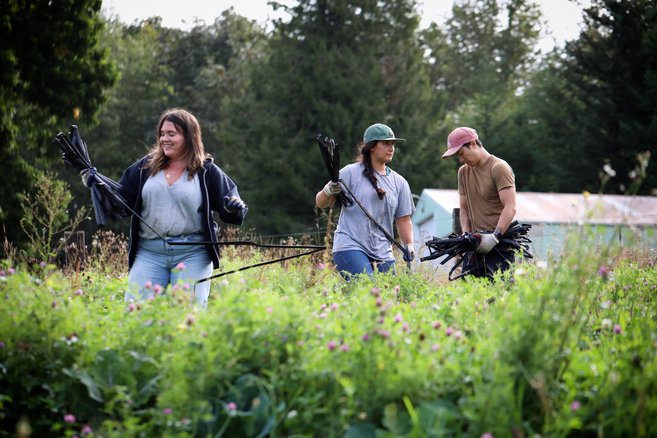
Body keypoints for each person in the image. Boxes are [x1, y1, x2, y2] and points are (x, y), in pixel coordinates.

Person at [109, 108, 247, 307]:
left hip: (193, 254)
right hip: (149, 254)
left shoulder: (206, 171)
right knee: (136, 315)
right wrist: (97, 185)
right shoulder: (144, 169)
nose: (165, 139)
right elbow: (119, 203)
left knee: (187, 317)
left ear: (188, 137)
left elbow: (233, 207)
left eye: (171, 134)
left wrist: (233, 208)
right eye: (162, 134)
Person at [315, 123, 415, 279]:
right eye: (385, 143)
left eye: (393, 144)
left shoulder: (399, 182)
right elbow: (321, 203)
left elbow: (403, 219)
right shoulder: (350, 173)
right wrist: (328, 191)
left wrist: (409, 244)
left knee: (388, 297)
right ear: (372, 147)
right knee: (368, 289)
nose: (391, 148)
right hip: (350, 245)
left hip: (383, 250)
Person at [441, 126, 518, 278]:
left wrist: (494, 237)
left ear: (473, 143)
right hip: (476, 244)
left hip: (500, 244)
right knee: (469, 295)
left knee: (499, 296)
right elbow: (464, 210)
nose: (461, 159)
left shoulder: (499, 168)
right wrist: (466, 236)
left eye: (462, 153)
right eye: (458, 156)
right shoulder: (463, 172)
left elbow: (510, 207)